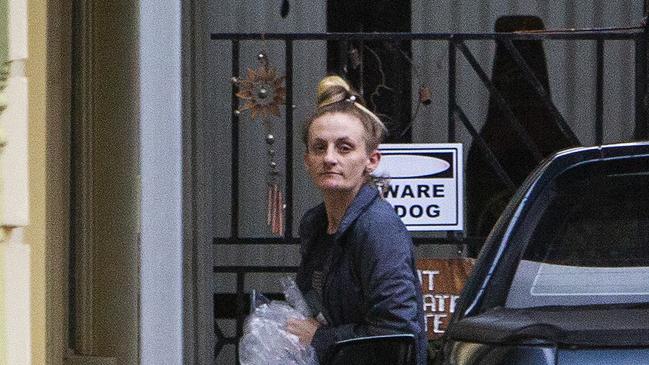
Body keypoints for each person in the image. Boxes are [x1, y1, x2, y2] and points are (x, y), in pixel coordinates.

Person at [287, 75, 427, 365]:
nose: (329, 158)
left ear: (371, 160)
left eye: (344, 147)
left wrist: (320, 339)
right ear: (306, 160)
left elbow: (397, 334)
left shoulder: (378, 228)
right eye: (319, 147)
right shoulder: (315, 225)